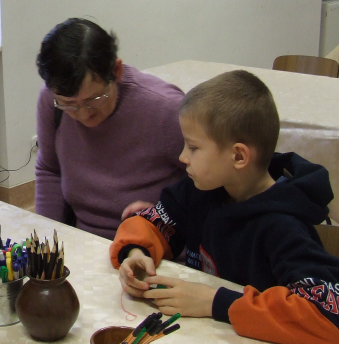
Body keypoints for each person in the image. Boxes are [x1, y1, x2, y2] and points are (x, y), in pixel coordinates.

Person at [111, 70, 339, 343]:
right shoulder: (200, 191)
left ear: (238, 156)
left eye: (193, 147)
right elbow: (153, 222)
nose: (183, 157)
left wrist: (216, 303)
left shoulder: (283, 226)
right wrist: (136, 253)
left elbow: (325, 316)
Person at [35, 18, 187, 239]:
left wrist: (166, 217)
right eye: (70, 105)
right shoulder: (51, 100)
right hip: (86, 243)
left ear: (116, 71)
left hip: (155, 248)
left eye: (94, 99)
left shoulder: (166, 109)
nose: (83, 114)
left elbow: (210, 186)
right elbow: (49, 170)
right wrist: (47, 240)